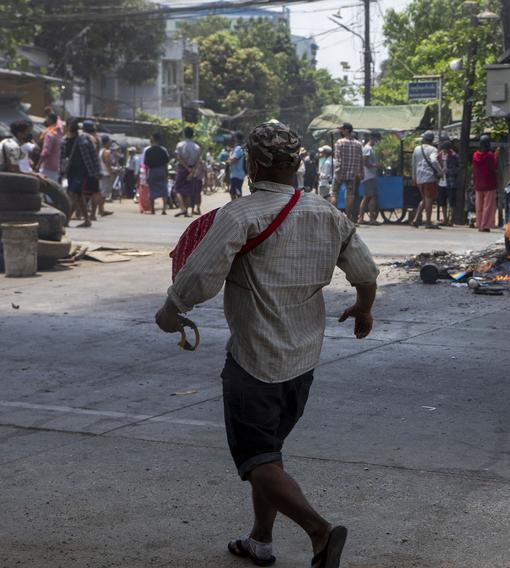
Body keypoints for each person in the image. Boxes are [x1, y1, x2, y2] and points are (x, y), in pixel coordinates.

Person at [155, 121, 378, 568]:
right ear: (298, 165)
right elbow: (366, 273)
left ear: (252, 164)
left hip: (254, 361)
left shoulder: (240, 215)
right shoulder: (328, 213)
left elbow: (199, 277)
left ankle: (321, 532)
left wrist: (172, 309)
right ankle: (260, 540)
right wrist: (363, 308)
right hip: (303, 361)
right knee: (270, 455)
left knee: (259, 461)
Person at [60, 118, 102, 227]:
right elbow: (62, 158)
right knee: (78, 196)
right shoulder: (64, 140)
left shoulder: (84, 139)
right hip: (71, 172)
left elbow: (94, 156)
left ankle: (67, 220)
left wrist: (97, 171)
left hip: (82, 171)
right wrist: (61, 173)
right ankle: (86, 220)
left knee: (74, 193)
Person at [411, 131, 442, 229]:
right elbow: (434, 160)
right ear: (432, 140)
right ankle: (428, 222)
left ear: (424, 139)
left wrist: (414, 178)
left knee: (424, 199)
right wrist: (440, 171)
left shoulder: (416, 149)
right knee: (429, 200)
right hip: (429, 178)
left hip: (419, 177)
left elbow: (413, 164)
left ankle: (416, 219)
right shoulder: (433, 149)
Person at [333, 123, 364, 221]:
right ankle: (348, 217)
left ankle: (333, 217)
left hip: (340, 172)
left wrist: (337, 173)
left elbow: (338, 159)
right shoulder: (358, 144)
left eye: (342, 129)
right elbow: (360, 160)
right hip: (352, 174)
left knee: (334, 193)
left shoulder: (339, 142)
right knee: (350, 195)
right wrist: (360, 172)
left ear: (346, 130)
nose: (341, 131)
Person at [174, 126, 203, 217]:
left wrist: (187, 168)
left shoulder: (180, 145)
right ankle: (187, 211)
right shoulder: (197, 147)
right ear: (193, 135)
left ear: (184, 134)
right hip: (192, 169)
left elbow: (179, 158)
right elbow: (198, 161)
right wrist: (192, 171)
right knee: (188, 191)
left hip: (182, 169)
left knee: (177, 189)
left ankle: (182, 208)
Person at [473, 134, 498, 232]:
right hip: (489, 183)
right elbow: (494, 167)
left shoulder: (475, 155)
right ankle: (486, 225)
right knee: (488, 206)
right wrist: (496, 156)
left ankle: (479, 224)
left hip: (478, 183)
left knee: (479, 206)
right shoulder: (490, 155)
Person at [142, 132, 171, 215]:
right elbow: (166, 164)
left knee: (152, 190)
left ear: (153, 139)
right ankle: (164, 209)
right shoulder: (163, 150)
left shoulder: (148, 151)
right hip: (161, 171)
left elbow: (146, 165)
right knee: (164, 190)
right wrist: (166, 174)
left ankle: (153, 210)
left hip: (152, 171)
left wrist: (147, 175)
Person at [358, 132, 382, 225]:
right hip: (368, 176)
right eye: (377, 140)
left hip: (370, 176)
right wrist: (377, 165)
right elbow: (365, 163)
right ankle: (369, 218)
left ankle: (365, 218)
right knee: (369, 197)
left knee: (369, 197)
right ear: (372, 138)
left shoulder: (370, 148)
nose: (377, 142)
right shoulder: (367, 149)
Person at [436, 137, 459, 227]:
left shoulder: (454, 156)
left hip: (451, 181)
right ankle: (445, 218)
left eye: (446, 149)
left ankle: (451, 219)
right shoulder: (439, 156)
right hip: (441, 181)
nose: (444, 151)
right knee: (442, 201)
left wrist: (449, 171)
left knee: (452, 201)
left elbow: (459, 167)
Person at [37, 113, 63, 182]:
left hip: (47, 166)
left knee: (45, 188)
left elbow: (46, 152)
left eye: (47, 119)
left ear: (51, 120)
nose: (45, 120)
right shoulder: (58, 132)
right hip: (55, 165)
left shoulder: (49, 134)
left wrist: (38, 164)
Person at [97, 135, 115, 217]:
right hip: (105, 174)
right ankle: (101, 210)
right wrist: (111, 174)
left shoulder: (100, 151)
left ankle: (101, 209)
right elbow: (108, 164)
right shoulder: (106, 152)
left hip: (101, 173)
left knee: (102, 192)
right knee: (103, 193)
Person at [228, 131, 247, 201]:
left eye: (233, 136)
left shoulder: (238, 148)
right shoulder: (238, 148)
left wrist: (230, 154)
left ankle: (238, 208)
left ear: (236, 138)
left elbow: (232, 160)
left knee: (235, 192)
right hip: (237, 174)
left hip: (237, 175)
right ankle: (238, 207)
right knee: (235, 192)